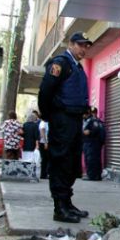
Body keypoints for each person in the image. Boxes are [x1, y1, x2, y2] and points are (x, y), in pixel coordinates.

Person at [38, 32, 93, 223]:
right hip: (62, 119)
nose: (84, 49)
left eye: (86, 46)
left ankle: (67, 202)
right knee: (61, 160)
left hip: (74, 120)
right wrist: (49, 115)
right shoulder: (60, 63)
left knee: (71, 161)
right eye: (81, 45)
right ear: (71, 44)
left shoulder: (77, 66)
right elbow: (45, 91)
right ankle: (59, 208)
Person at [82, 106, 106, 181]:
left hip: (91, 143)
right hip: (95, 144)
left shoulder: (92, 121)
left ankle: (92, 176)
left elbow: (92, 131)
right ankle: (97, 175)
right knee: (96, 159)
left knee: (90, 160)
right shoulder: (99, 121)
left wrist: (88, 132)